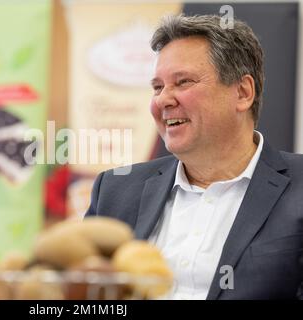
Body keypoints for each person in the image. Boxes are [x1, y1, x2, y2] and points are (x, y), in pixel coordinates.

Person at [85, 14, 303, 300]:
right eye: (157, 87)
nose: (163, 99)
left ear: (242, 92)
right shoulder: (114, 191)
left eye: (183, 82)